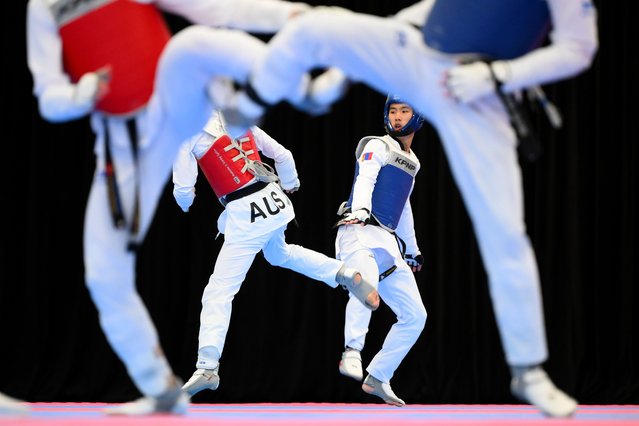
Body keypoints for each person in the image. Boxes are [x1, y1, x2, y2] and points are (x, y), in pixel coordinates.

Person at [151, 0, 598, 418]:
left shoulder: (410, 157)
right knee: (317, 26)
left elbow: (579, 48)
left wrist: (499, 76)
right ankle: (275, 99)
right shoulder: (381, 143)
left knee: (504, 231)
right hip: (413, 51)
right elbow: (431, 10)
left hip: (474, 88)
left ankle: (528, 367)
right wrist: (352, 69)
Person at [26, 0, 315, 415]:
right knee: (104, 275)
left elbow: (216, 10)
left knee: (193, 42)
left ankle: (303, 72)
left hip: (179, 108)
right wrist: (81, 93)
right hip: (124, 143)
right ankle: (160, 386)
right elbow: (49, 99)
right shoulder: (44, 7)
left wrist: (285, 17)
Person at [172, 111, 379, 396]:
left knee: (219, 291)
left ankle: (207, 366)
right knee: (279, 253)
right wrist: (291, 183)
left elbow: (183, 189)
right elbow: (283, 155)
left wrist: (185, 203)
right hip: (275, 200)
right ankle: (341, 271)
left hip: (247, 213)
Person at [334, 95, 427, 406]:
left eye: (404, 111)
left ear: (417, 116)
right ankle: (352, 350)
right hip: (357, 231)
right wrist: (359, 209)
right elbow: (366, 177)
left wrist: (411, 250)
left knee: (415, 315)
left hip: (386, 241)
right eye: (393, 111)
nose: (397, 117)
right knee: (366, 282)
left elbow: (404, 208)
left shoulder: (413, 162)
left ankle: (378, 377)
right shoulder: (378, 144)